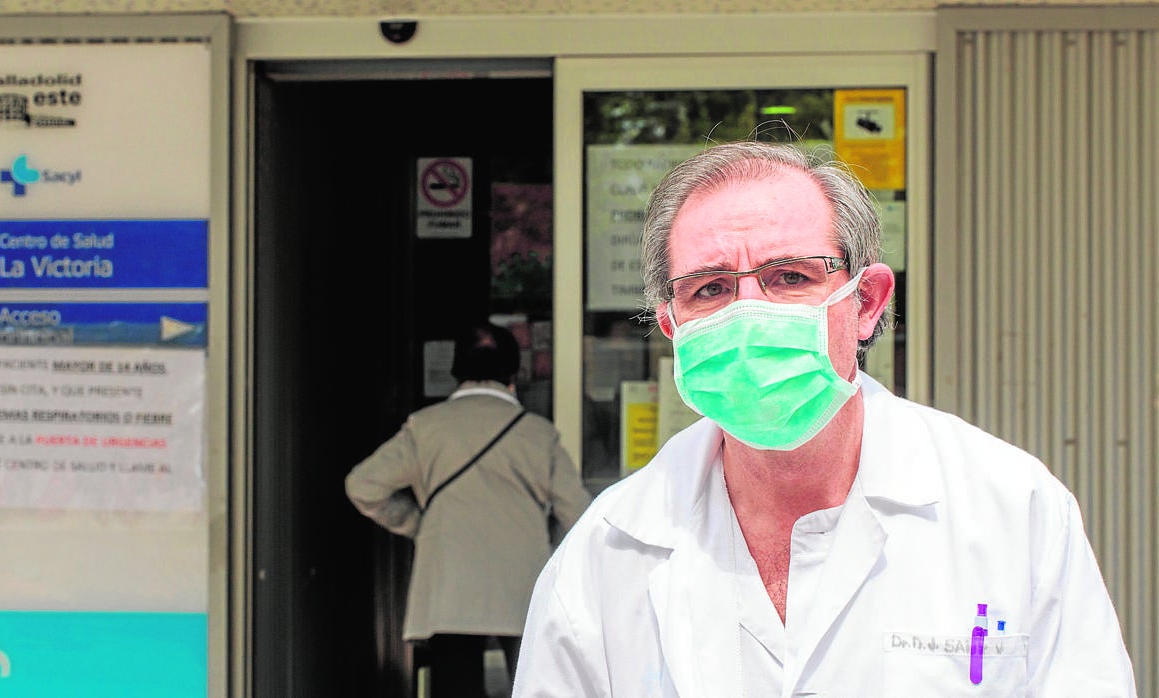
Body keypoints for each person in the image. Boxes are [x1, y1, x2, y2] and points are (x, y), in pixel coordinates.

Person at [512, 139, 1137, 696]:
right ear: (673, 326)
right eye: (711, 288)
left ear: (865, 303)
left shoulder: (1010, 509)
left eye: (789, 276)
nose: (748, 314)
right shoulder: (607, 553)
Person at [345, 320, 593, 698]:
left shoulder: (424, 428)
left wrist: (418, 524)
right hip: (523, 588)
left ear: (456, 371)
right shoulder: (538, 434)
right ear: (514, 374)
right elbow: (578, 515)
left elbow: (362, 485)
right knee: (531, 686)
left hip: (448, 589)